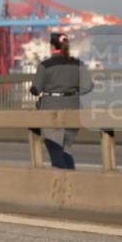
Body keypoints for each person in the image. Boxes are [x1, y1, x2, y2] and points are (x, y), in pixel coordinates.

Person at [30, 32, 94, 170]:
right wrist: (74, 93)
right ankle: (72, 182)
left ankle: (63, 185)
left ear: (52, 47)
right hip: (74, 109)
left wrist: (35, 90)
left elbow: (36, 88)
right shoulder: (78, 64)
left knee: (55, 151)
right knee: (66, 150)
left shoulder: (45, 65)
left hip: (51, 111)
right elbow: (88, 86)